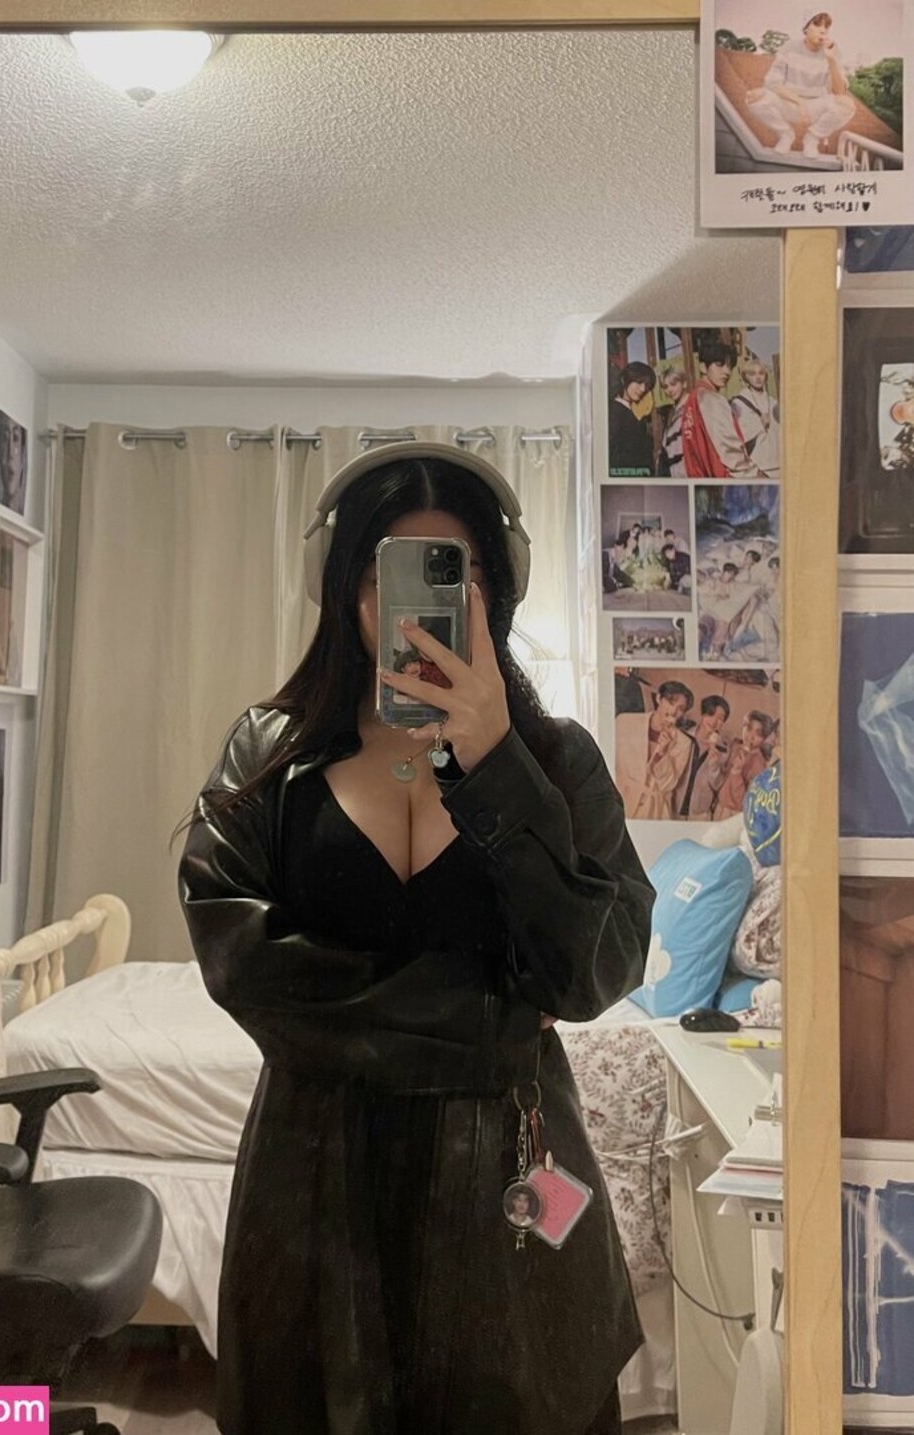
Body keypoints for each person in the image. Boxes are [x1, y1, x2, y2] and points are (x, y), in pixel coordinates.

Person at [179, 443, 653, 1435]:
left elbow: (597, 966)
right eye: (386, 572)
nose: (415, 605)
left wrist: (494, 760)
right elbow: (243, 963)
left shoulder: (555, 761)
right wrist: (487, 1018)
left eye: (452, 573)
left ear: (494, 590)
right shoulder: (270, 753)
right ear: (345, 589)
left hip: (508, 1175)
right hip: (312, 1182)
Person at [746, 11, 857, 161]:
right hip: (789, 102)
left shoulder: (832, 52)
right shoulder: (790, 47)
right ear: (806, 28)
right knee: (754, 97)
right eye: (817, 25)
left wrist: (832, 60)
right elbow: (772, 82)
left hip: (816, 107)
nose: (823, 30)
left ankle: (812, 138)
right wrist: (799, 103)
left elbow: (840, 92)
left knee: (847, 105)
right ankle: (785, 133)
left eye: (826, 27)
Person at [681, 340, 769, 479]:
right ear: (703, 367)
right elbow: (729, 450)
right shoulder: (711, 399)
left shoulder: (692, 399)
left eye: (729, 366)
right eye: (719, 364)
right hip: (723, 480)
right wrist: (756, 475)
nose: (727, 371)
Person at [615, 678, 695, 821]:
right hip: (622, 802)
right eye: (670, 702)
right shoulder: (624, 722)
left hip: (654, 812)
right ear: (658, 698)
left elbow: (668, 785)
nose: (674, 711)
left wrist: (662, 755)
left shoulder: (684, 743)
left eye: (681, 708)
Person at [677, 695, 731, 820]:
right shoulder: (683, 737)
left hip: (700, 813)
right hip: (673, 805)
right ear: (702, 714)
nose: (714, 721)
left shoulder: (723, 750)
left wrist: (714, 767)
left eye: (720, 718)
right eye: (710, 714)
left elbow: (717, 785)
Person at [714, 709, 775, 821]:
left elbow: (744, 802)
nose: (751, 736)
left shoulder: (759, 764)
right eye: (749, 728)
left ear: (764, 739)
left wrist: (736, 772)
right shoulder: (735, 747)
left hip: (734, 815)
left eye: (758, 734)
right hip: (719, 809)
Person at [730, 356, 781, 479]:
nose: (758, 377)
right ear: (746, 377)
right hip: (757, 465)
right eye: (752, 374)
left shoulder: (773, 402)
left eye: (761, 373)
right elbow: (738, 434)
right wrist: (759, 424)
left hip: (777, 462)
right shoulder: (739, 403)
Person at [609, 361, 657, 475]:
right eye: (639, 382)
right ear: (624, 380)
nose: (643, 389)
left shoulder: (630, 413)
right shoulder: (615, 412)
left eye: (647, 386)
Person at [657, 368, 689, 477]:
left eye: (673, 384)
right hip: (675, 473)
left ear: (684, 384)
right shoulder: (672, 413)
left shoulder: (691, 407)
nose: (669, 390)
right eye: (665, 387)